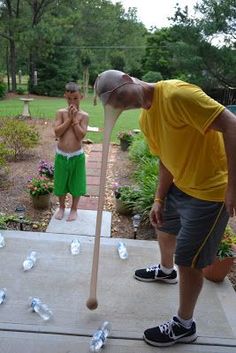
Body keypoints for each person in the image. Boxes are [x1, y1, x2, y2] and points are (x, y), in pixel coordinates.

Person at [94, 70, 236, 347]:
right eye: (114, 104)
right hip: (180, 185)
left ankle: (185, 325)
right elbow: (165, 160)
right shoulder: (147, 118)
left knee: (189, 259)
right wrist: (159, 198)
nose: (120, 105)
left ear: (128, 78)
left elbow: (231, 124)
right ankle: (165, 269)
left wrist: (233, 185)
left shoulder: (177, 95)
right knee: (163, 224)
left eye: (119, 96)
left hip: (210, 191)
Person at [54, 82, 88, 221]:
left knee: (76, 182)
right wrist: (69, 119)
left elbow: (81, 135)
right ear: (65, 97)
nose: (72, 101)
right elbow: (57, 132)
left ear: (81, 97)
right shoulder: (61, 113)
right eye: (69, 98)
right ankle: (62, 207)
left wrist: (74, 119)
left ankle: (74, 209)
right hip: (61, 155)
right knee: (60, 182)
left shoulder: (84, 116)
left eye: (75, 98)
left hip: (76, 155)